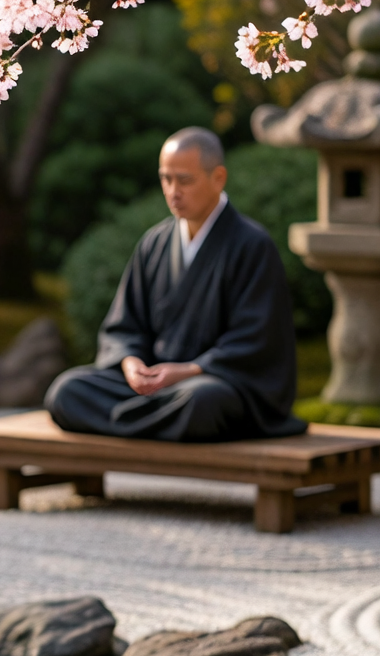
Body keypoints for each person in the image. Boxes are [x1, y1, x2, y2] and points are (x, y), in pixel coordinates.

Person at [44, 126, 307, 442]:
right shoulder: (154, 242)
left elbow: (256, 340)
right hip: (156, 384)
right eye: (165, 179)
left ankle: (131, 420)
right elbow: (124, 326)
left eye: (184, 180)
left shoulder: (252, 245)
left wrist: (190, 370)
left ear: (218, 178)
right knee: (66, 390)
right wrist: (131, 364)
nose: (172, 191)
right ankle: (157, 423)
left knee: (202, 402)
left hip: (213, 382)